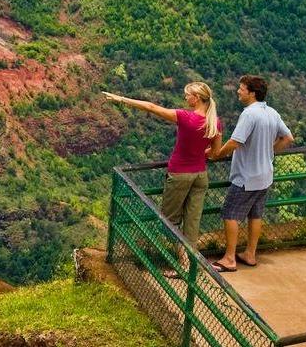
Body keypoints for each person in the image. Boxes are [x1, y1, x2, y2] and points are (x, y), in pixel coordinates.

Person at [104, 83, 222, 257]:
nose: (185, 98)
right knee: (192, 221)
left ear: (196, 98)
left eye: (187, 95)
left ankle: (183, 262)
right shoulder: (214, 123)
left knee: (168, 221)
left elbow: (151, 107)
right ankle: (192, 262)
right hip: (200, 176)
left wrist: (121, 99)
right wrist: (198, 153)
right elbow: (216, 152)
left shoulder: (186, 117)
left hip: (179, 174)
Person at [209, 74, 293, 272]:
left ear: (252, 93)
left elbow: (235, 141)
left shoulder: (249, 114)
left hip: (246, 177)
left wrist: (217, 154)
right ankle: (250, 254)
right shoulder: (272, 112)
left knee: (230, 214)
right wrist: (269, 151)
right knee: (255, 215)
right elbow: (288, 137)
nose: (238, 91)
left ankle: (229, 259)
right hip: (265, 175)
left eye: (242, 88)